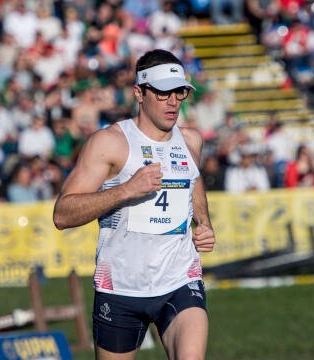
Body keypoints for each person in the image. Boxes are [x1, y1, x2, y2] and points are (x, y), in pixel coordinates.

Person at [53, 49, 216, 360]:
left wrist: (203, 223)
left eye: (180, 91)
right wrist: (125, 190)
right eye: (163, 92)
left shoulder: (191, 140)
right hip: (120, 288)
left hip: (179, 280)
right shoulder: (110, 143)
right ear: (139, 93)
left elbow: (193, 180)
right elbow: (62, 214)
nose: (173, 102)